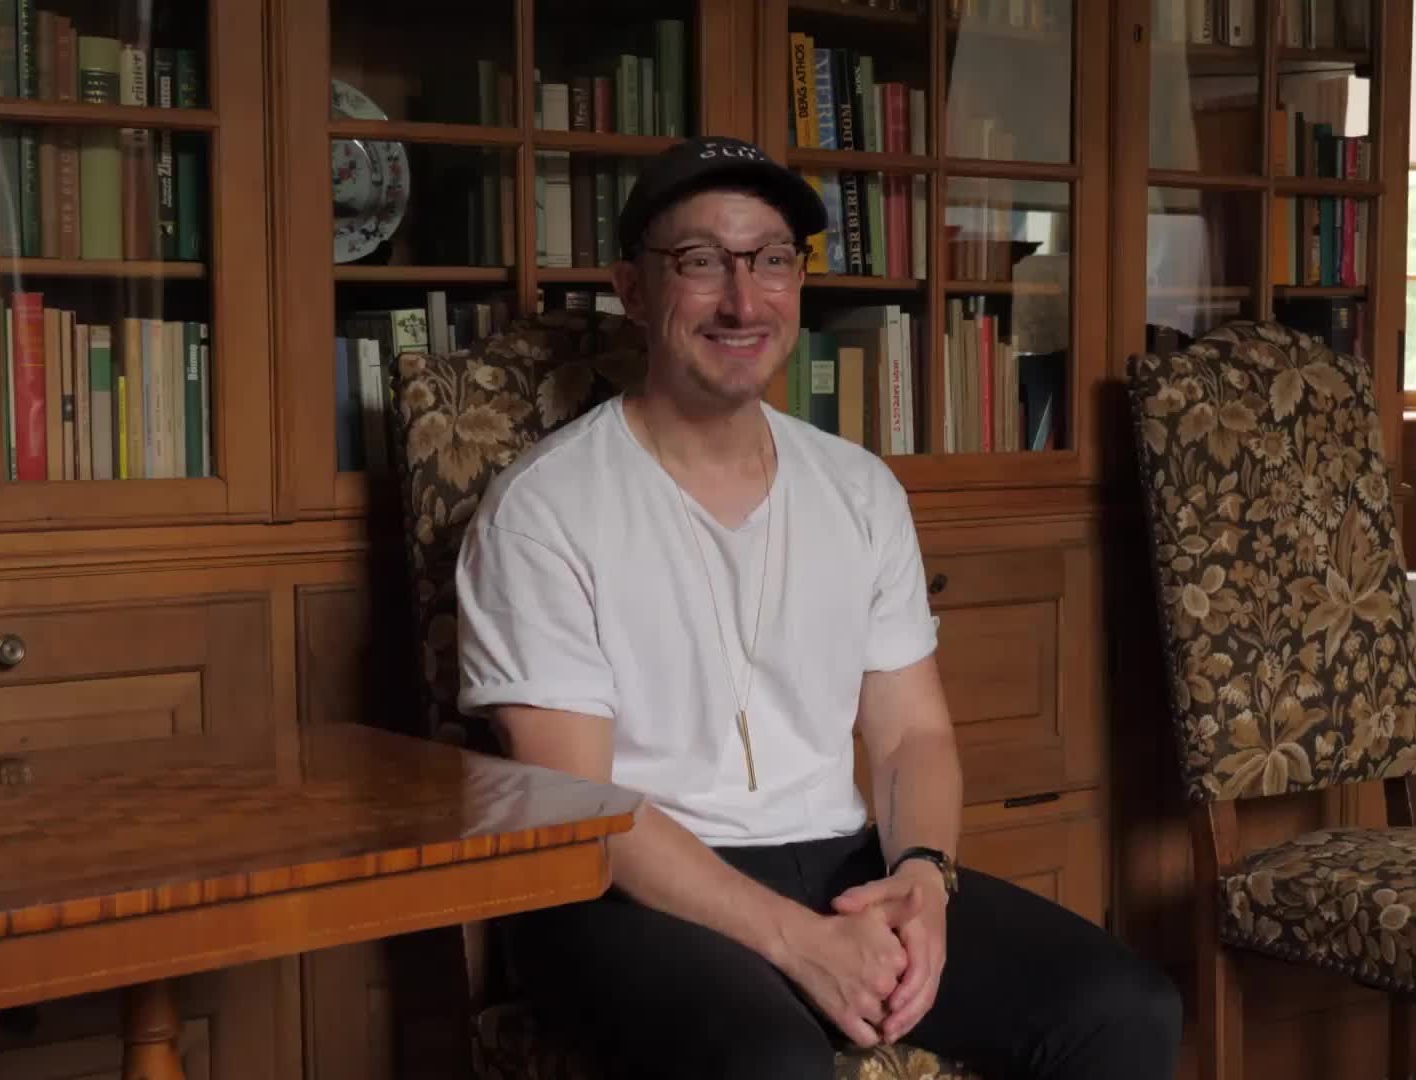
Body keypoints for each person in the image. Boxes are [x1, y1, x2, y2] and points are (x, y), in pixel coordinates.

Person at [453, 134, 1183, 1080]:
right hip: (623, 890)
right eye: (701, 261)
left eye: (770, 260)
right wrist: (798, 943)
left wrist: (923, 878)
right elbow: (582, 809)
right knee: (772, 1064)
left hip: (842, 863)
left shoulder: (859, 489)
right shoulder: (545, 508)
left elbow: (914, 736)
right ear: (633, 289)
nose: (742, 300)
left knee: (1124, 1008)